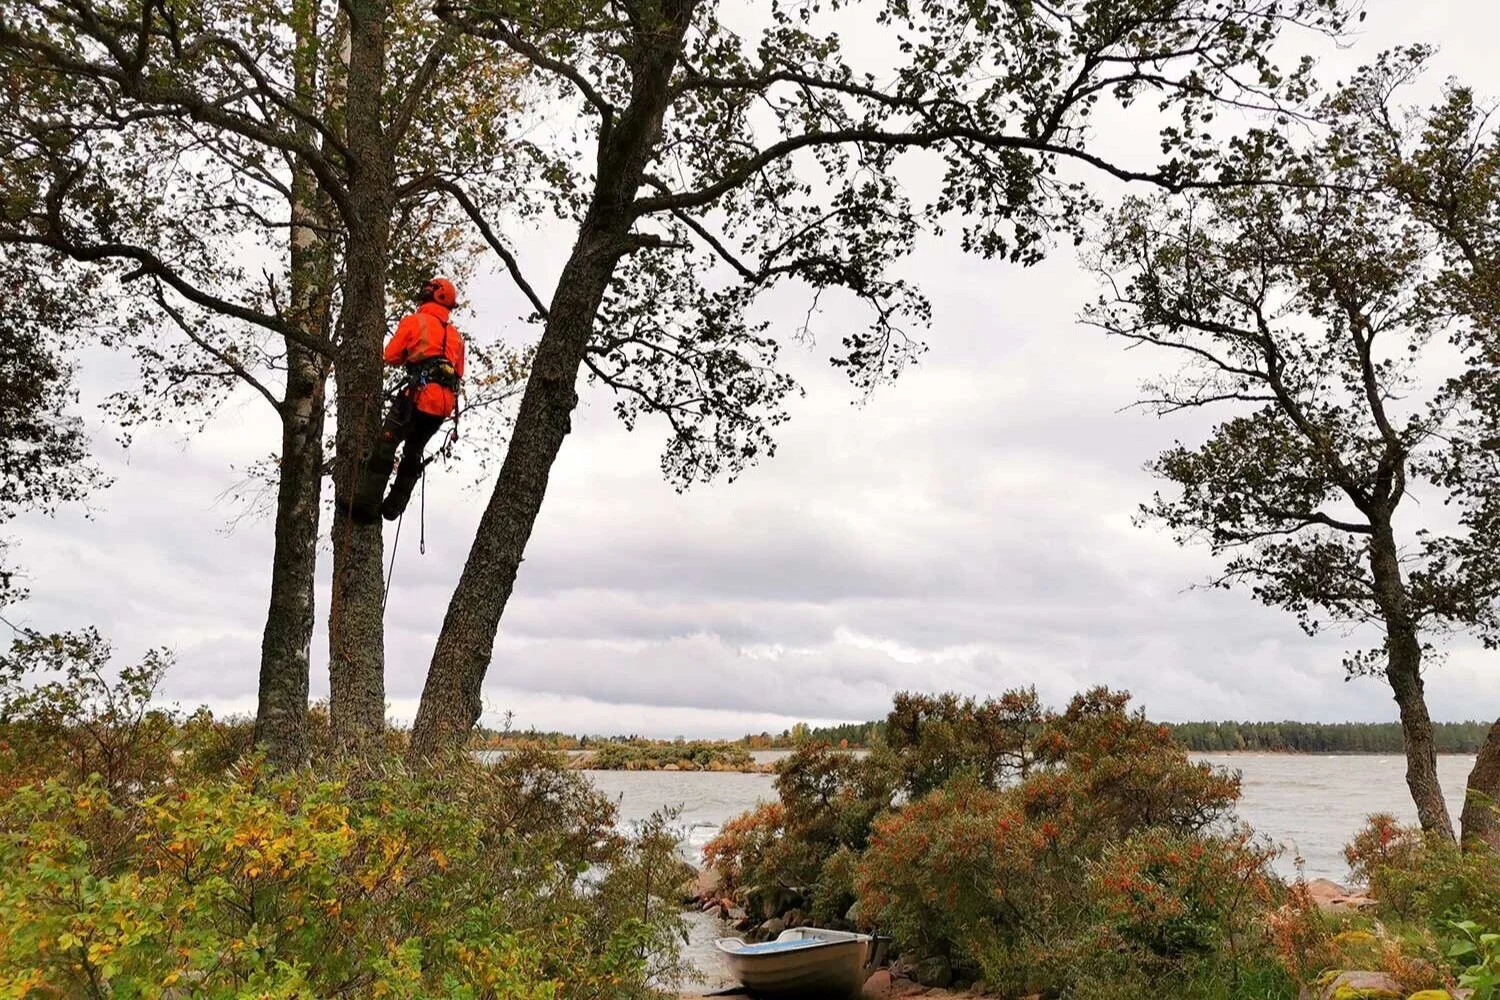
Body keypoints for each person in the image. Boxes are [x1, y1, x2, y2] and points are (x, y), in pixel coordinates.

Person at [348, 277, 465, 524]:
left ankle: (366, 505)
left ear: (431, 296)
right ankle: (393, 507)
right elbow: (459, 372)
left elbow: (390, 356)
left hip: (418, 398)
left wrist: (411, 359)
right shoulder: (456, 336)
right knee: (413, 450)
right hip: (443, 405)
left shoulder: (415, 321)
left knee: (386, 443)